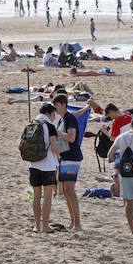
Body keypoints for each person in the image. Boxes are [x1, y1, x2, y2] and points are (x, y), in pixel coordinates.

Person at [52, 94, 89, 232]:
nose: (55, 108)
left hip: (72, 157)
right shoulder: (63, 119)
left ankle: (77, 223)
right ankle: (73, 222)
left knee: (70, 190)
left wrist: (57, 133)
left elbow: (72, 138)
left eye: (56, 105)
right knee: (66, 191)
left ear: (62, 104)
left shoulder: (69, 118)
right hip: (65, 157)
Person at [25, 103, 62, 233]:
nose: (53, 118)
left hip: (33, 164)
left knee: (36, 196)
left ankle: (37, 225)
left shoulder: (32, 124)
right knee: (47, 197)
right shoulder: (49, 126)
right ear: (48, 114)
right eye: (53, 115)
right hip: (47, 166)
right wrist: (60, 154)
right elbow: (53, 146)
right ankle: (45, 226)